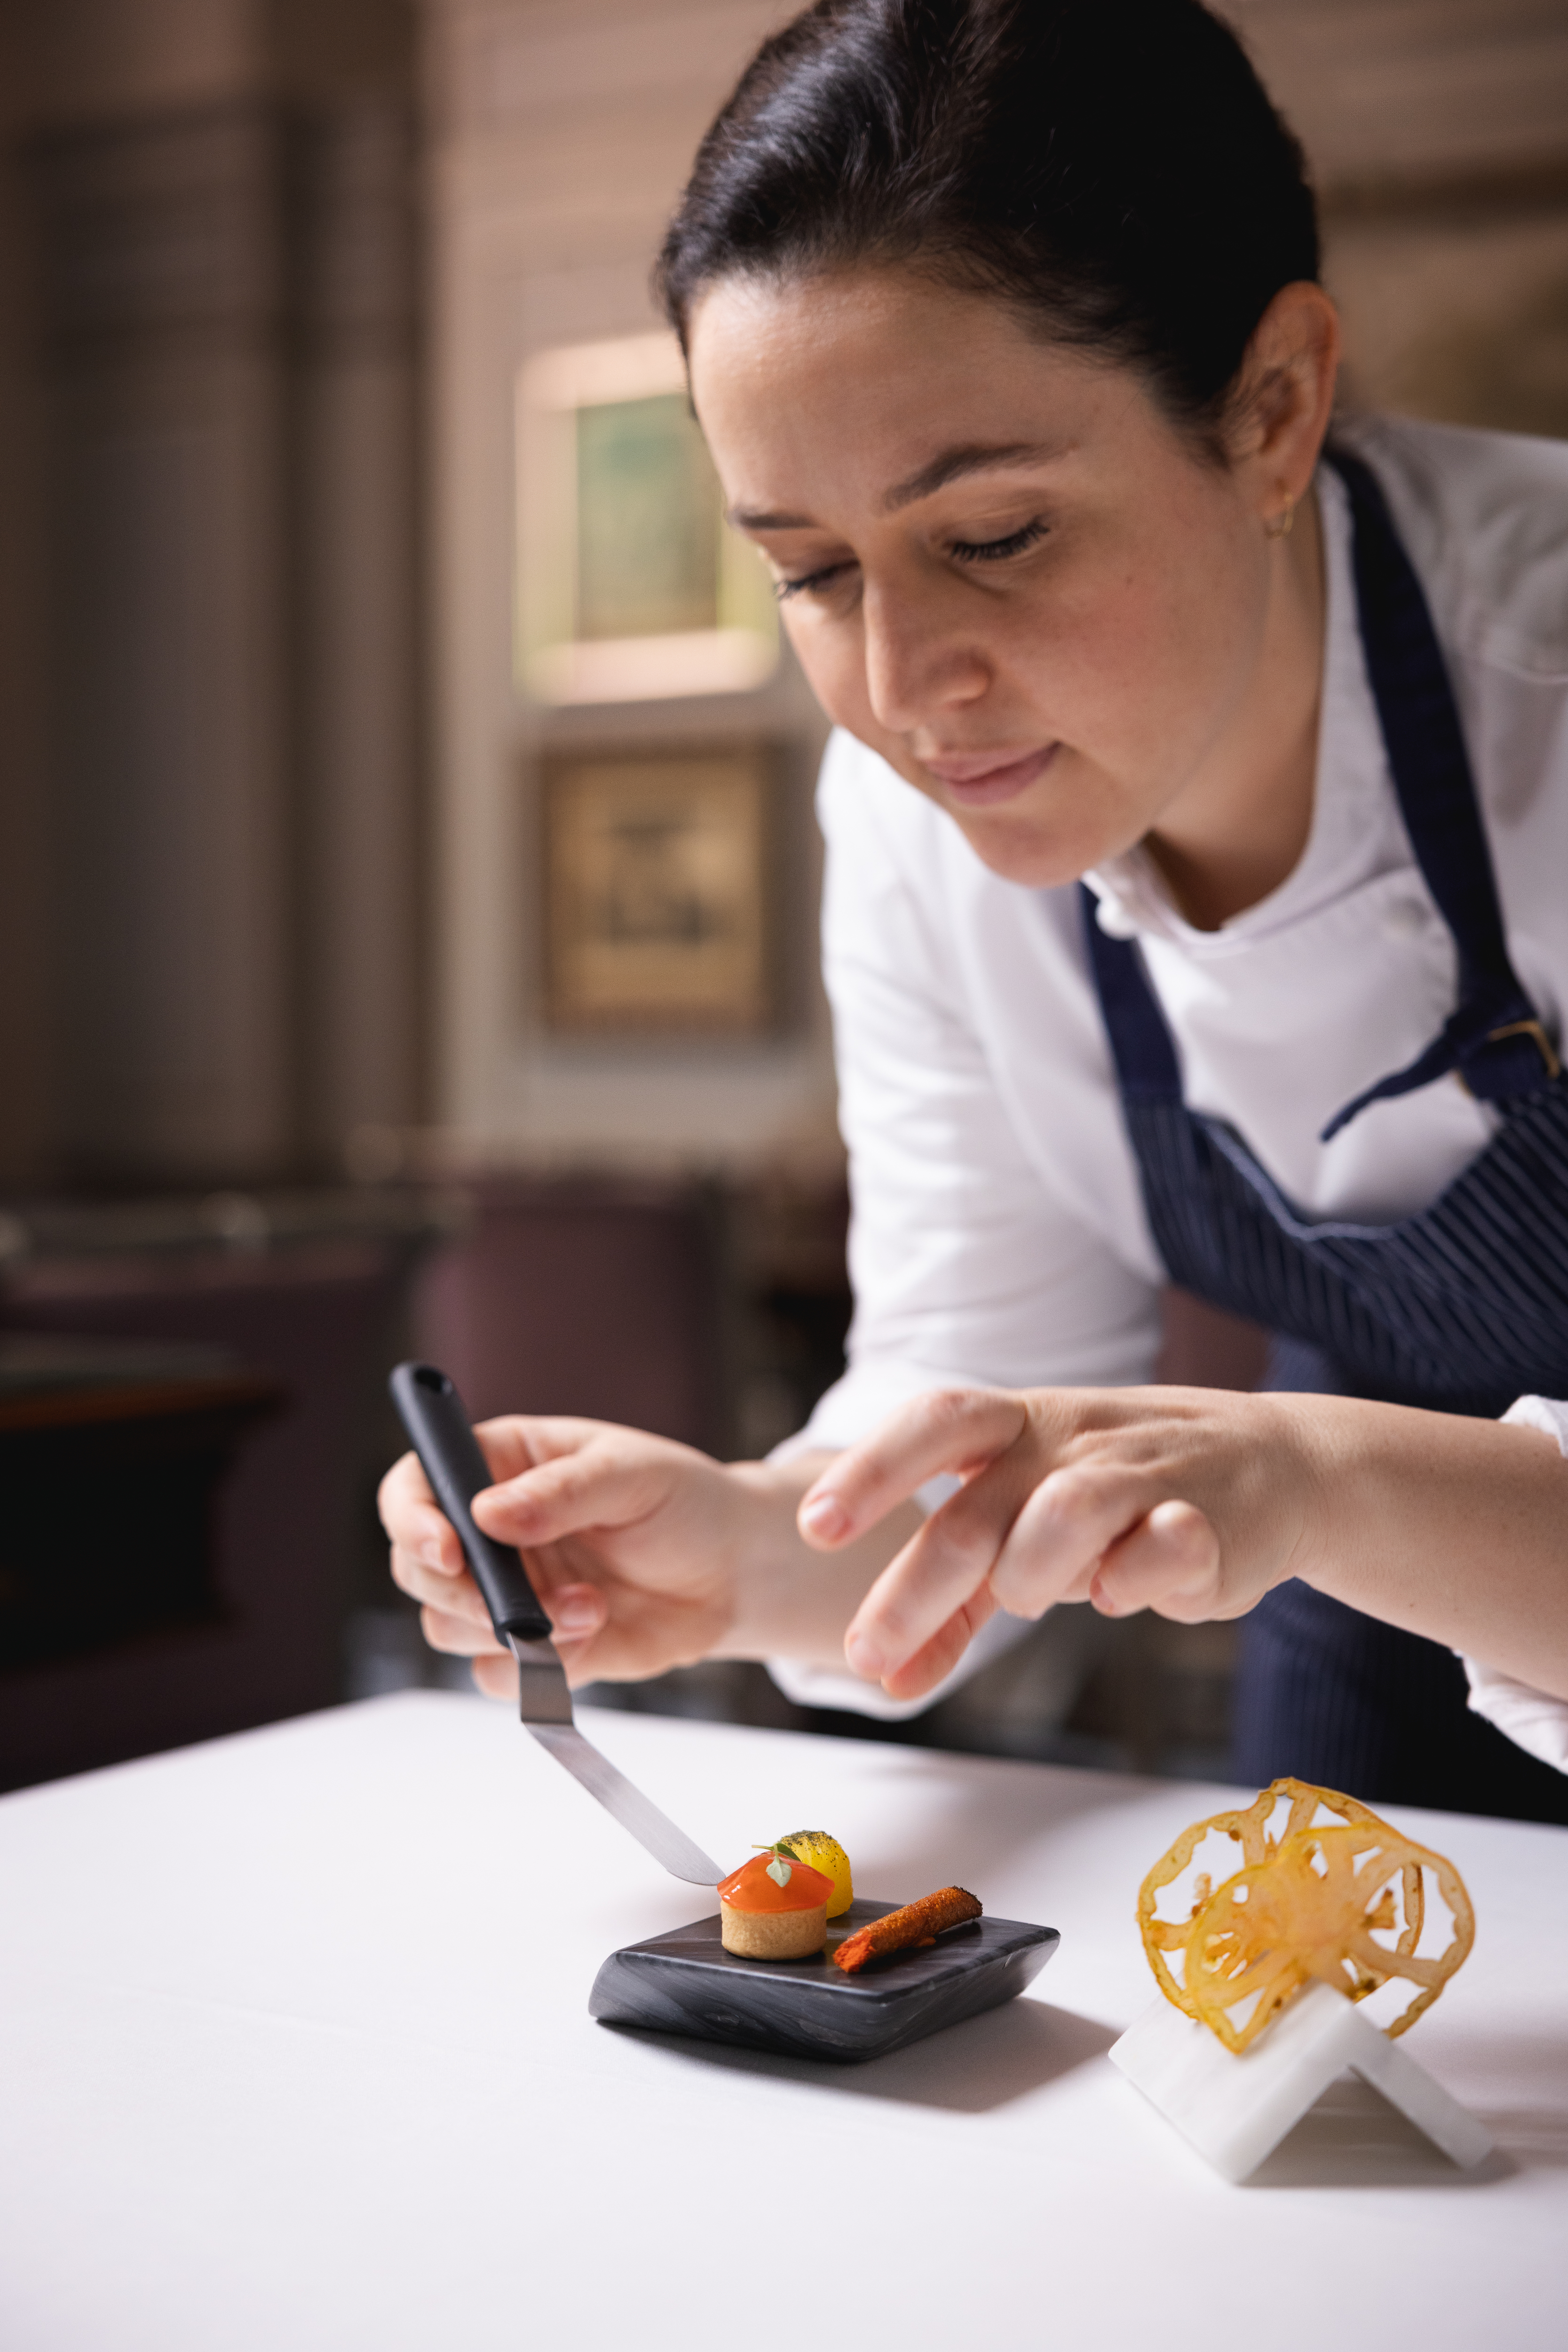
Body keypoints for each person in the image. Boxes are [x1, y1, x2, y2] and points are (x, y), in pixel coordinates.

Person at [381, 0, 1568, 1816]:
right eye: (811, 570)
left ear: (1271, 407)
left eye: (996, 537)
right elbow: (983, 1410)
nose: (909, 686)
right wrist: (750, 1542)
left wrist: (1315, 1478)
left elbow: (1269, 1478)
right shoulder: (927, 818)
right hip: (1371, 1626)